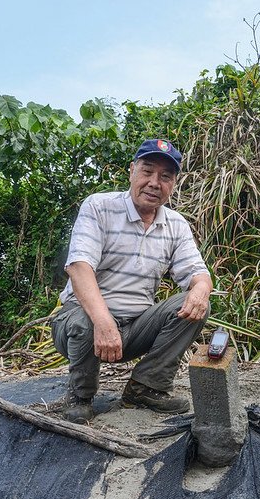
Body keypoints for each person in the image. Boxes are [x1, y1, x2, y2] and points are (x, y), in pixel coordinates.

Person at [51, 139, 212, 423]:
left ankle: (146, 387)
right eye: (147, 171)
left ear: (174, 183)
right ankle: (80, 394)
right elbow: (78, 267)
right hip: (82, 325)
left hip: (134, 328)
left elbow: (198, 274)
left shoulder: (175, 224)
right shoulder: (99, 206)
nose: (154, 183)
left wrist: (200, 290)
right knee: (83, 321)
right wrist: (103, 321)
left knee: (197, 303)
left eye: (165, 177)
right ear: (132, 171)